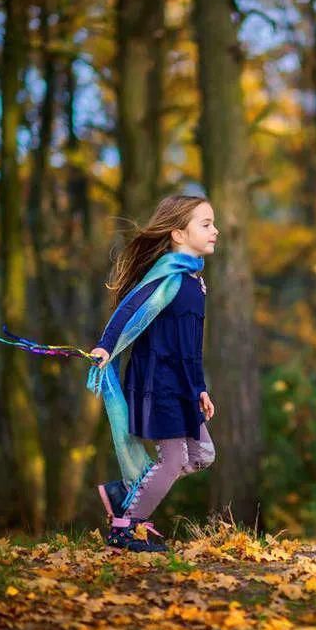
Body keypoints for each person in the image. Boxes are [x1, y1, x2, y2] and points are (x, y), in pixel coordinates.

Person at [88, 194, 219, 552]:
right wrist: (105, 345)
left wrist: (201, 389)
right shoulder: (165, 276)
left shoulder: (193, 280)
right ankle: (126, 527)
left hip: (182, 385)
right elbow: (128, 310)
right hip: (156, 383)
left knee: (202, 455)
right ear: (178, 233)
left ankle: (125, 494)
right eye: (206, 225)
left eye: (213, 224)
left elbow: (190, 346)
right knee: (174, 459)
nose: (215, 231)